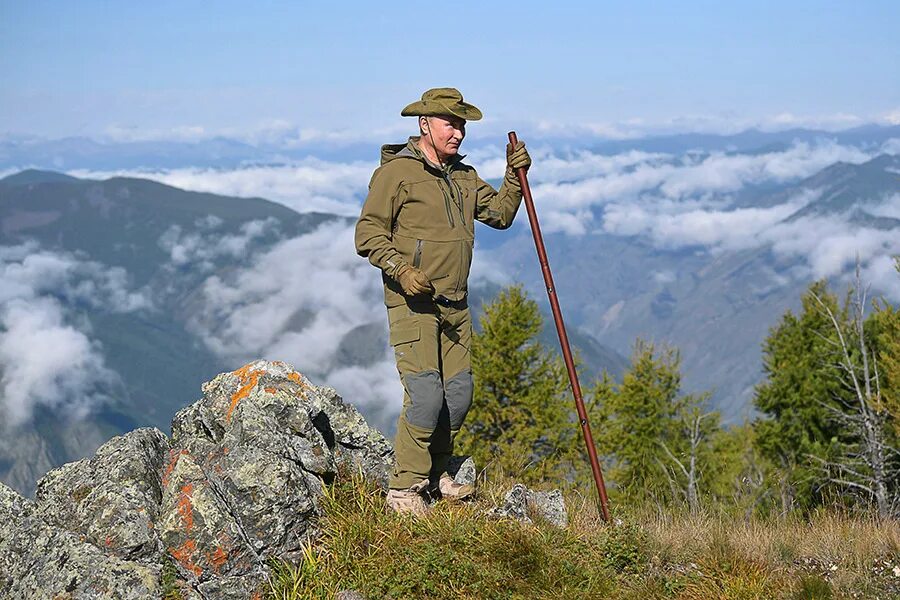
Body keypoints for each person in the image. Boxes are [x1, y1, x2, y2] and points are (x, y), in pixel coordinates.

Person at [354, 87, 531, 516]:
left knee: (458, 394)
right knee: (426, 394)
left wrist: (515, 176)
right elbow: (367, 234)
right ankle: (404, 488)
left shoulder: (464, 177)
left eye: (462, 124)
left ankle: (436, 472)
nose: (459, 132)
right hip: (412, 303)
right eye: (451, 123)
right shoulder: (396, 175)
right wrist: (401, 269)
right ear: (424, 124)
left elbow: (501, 216)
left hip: (455, 304)